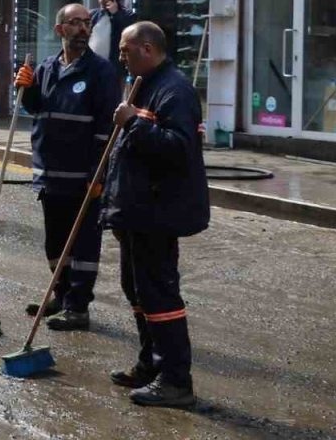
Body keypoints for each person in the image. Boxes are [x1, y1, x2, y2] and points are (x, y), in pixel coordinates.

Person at [104, 21, 209, 408]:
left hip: (157, 210)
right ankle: (150, 363)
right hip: (134, 209)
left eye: (125, 50)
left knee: (160, 293)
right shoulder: (143, 83)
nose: (120, 57)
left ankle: (176, 379)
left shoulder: (175, 90)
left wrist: (132, 122)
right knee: (136, 290)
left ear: (147, 48)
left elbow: (178, 149)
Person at [14, 3, 120, 331]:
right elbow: (37, 108)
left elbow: (107, 127)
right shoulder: (47, 68)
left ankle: (78, 307)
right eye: (75, 23)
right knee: (55, 243)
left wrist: (98, 174)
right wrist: (26, 88)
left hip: (83, 176)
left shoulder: (101, 72)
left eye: (87, 23)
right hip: (50, 172)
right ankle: (58, 294)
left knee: (83, 244)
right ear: (60, 30)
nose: (83, 29)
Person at [90, 0, 137, 79]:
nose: (102, 0)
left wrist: (115, 14)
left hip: (115, 67)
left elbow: (127, 31)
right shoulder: (93, 15)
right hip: (93, 65)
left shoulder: (127, 15)